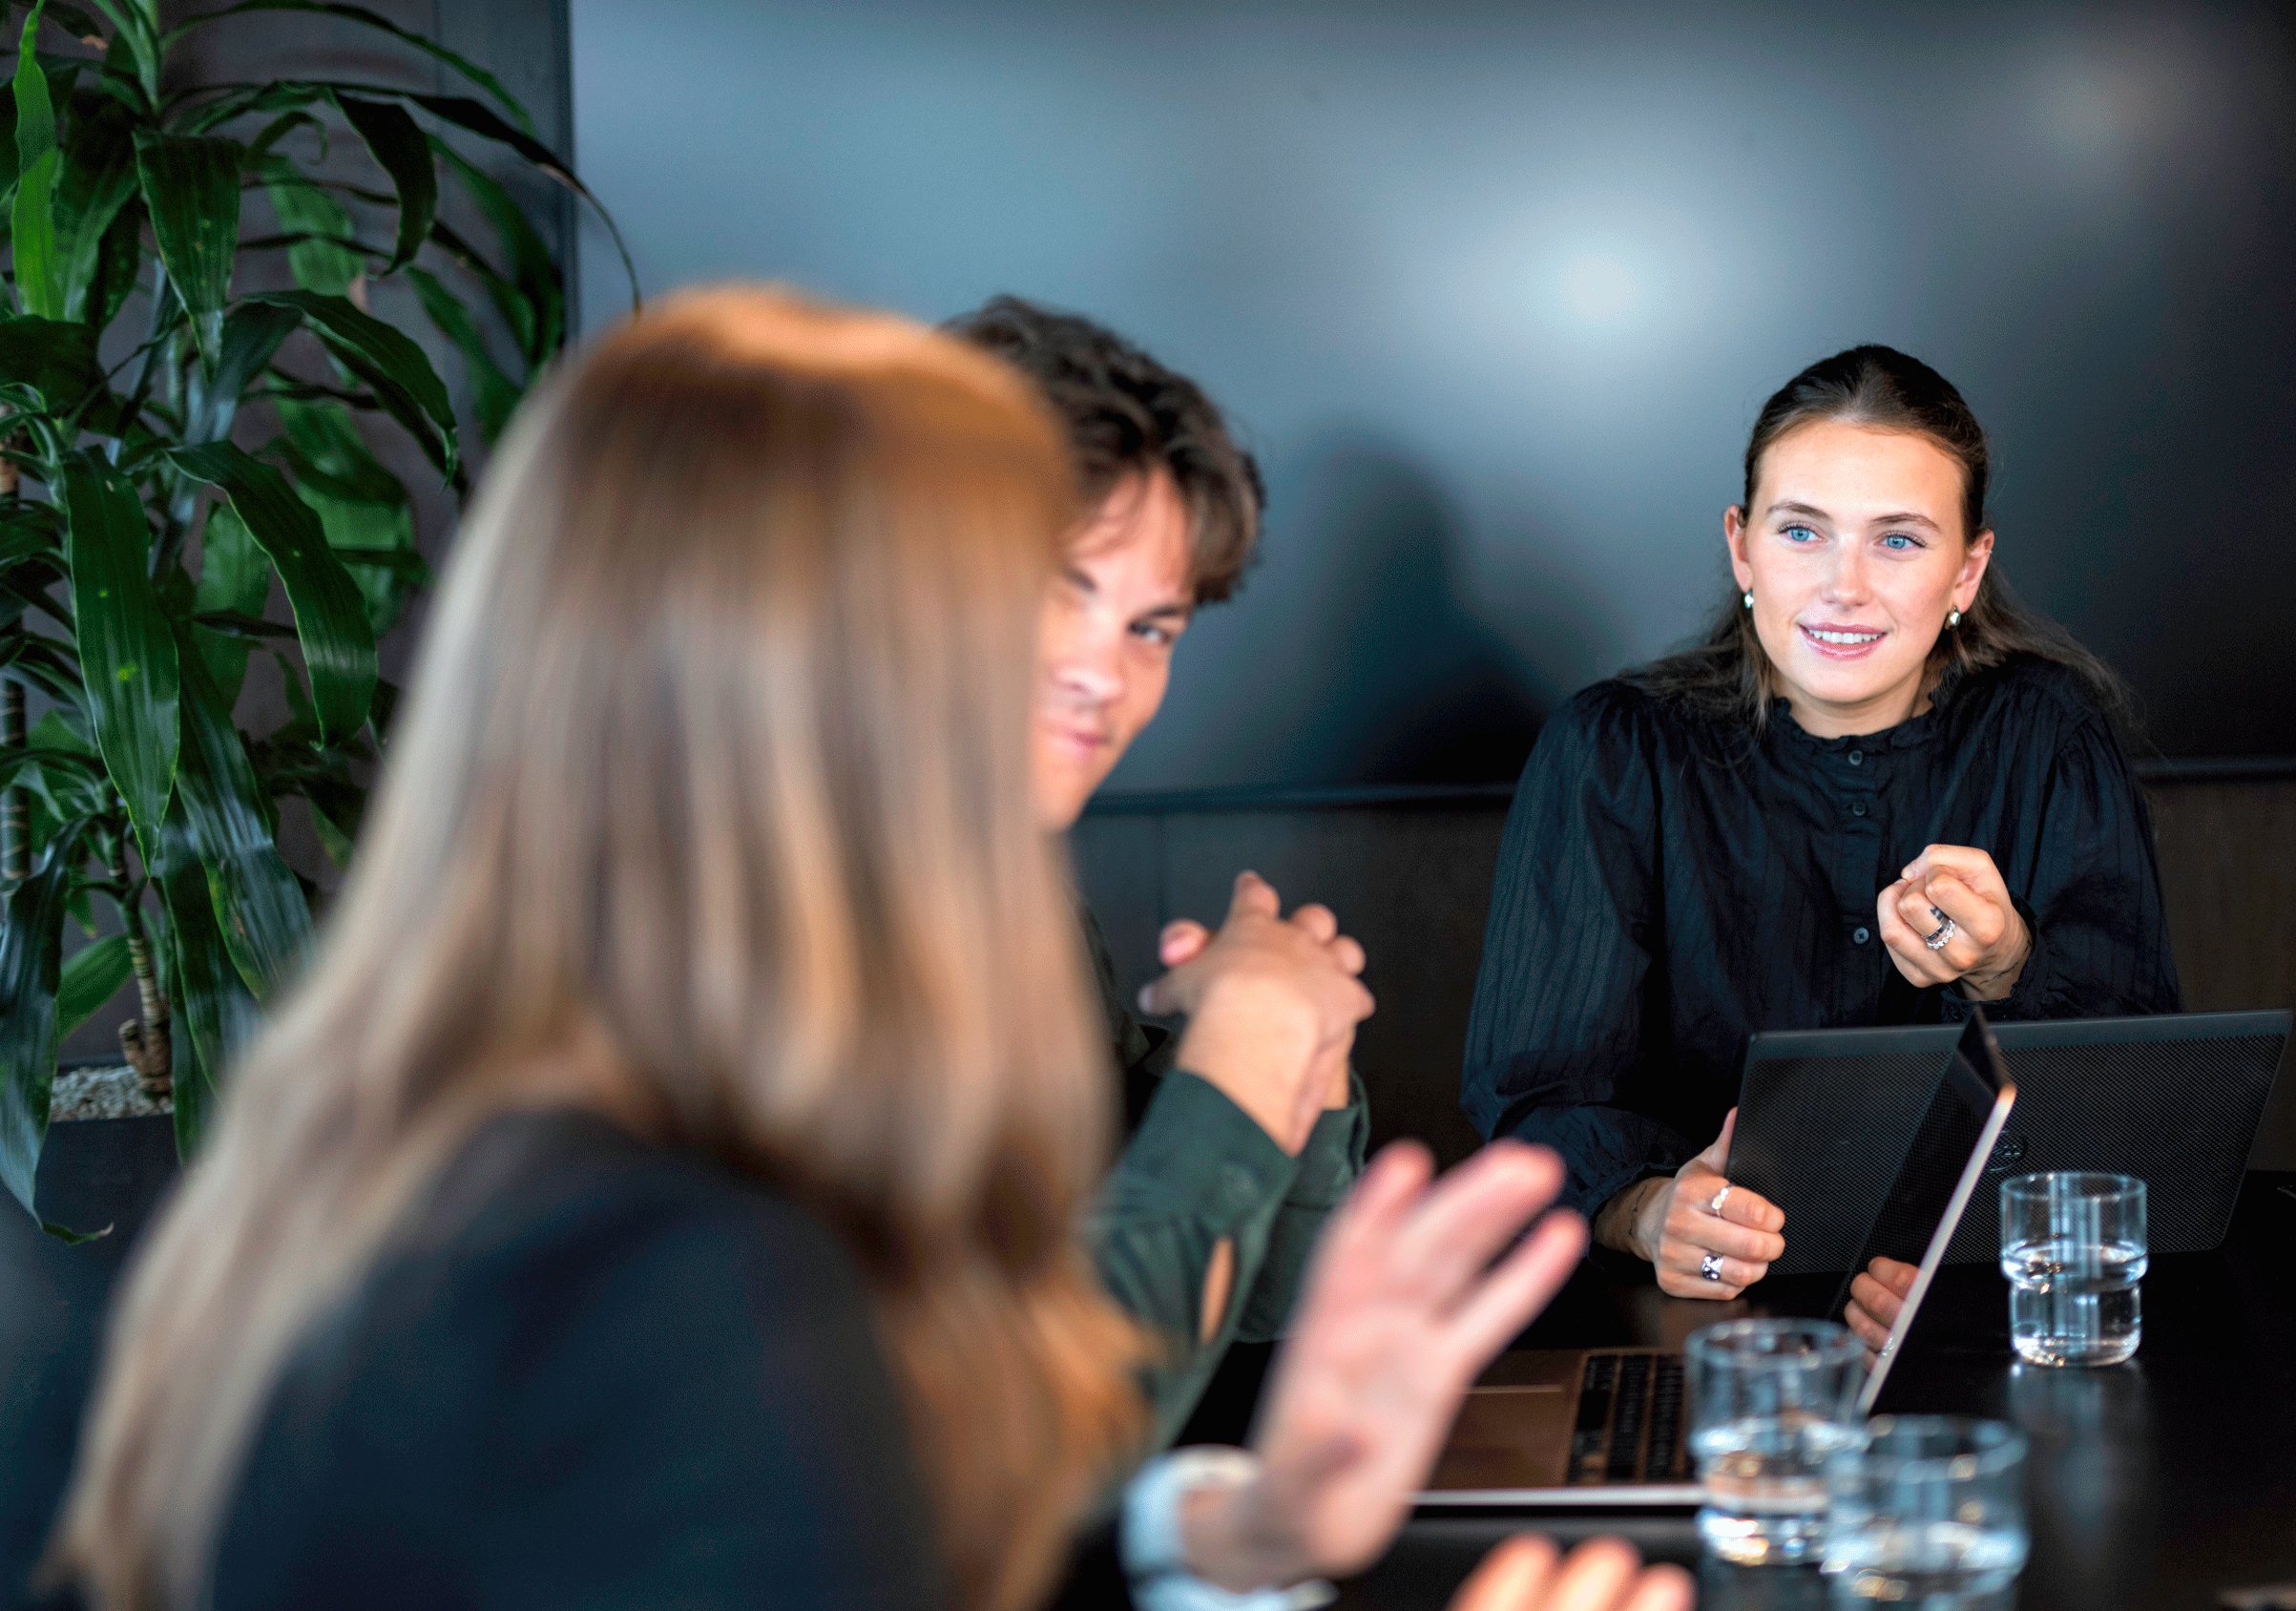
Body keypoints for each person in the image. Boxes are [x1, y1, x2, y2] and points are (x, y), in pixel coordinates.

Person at [46, 290, 1683, 1611]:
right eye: (993, 592)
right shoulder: (657, 1243)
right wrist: (1244, 1067)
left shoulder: (541, 1088)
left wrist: (1237, 1526)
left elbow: (916, 1499)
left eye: (1141, 623)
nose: (1073, 677)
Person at [1460, 345, 2181, 1341]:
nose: (1844, 586)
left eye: (1898, 541)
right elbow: (1537, 1099)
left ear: (1966, 568)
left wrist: (2015, 965)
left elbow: (2151, 1095)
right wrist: (1646, 1210)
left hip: (1976, 1314)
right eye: (1802, 530)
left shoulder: (2050, 734)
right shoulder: (1613, 749)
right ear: (1743, 547)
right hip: (1687, 1322)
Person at [948, 296, 1373, 1448]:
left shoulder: (1013, 880)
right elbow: (1037, 1443)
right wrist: (1238, 1056)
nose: (1104, 675)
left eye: (1152, 628)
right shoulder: (777, 906)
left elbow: (1233, 1327)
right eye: (1057, 589)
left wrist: (1297, 1062)